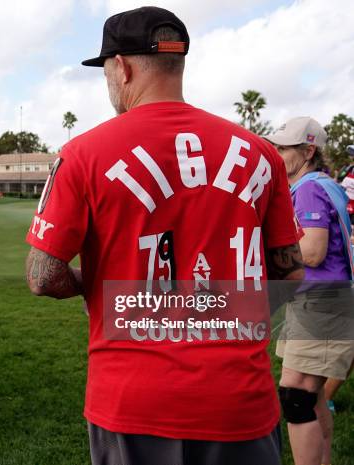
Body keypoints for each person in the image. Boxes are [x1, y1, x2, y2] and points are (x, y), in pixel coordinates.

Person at [26, 7, 304, 465]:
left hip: (133, 401)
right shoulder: (260, 154)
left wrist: (92, 285)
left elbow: (42, 276)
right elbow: (289, 273)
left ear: (122, 66)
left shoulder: (82, 154)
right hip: (240, 398)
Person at [267, 117, 354, 465]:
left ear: (308, 150)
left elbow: (314, 252)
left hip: (320, 304)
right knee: (311, 396)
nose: (276, 153)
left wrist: (266, 253)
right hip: (324, 303)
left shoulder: (307, 189)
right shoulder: (324, 183)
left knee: (296, 397)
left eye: (284, 148)